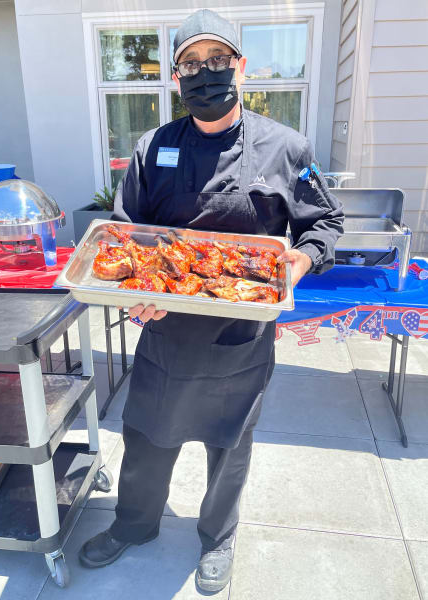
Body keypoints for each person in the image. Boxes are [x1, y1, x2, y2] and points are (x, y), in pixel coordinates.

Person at [79, 8, 344, 593]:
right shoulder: (153, 147)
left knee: (230, 442)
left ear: (240, 68)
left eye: (217, 60)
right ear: (177, 78)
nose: (206, 74)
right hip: (166, 328)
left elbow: (324, 223)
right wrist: (136, 292)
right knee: (147, 433)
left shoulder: (287, 146)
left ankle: (217, 536)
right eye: (191, 64)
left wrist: (299, 260)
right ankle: (134, 524)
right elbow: (128, 233)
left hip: (242, 334)